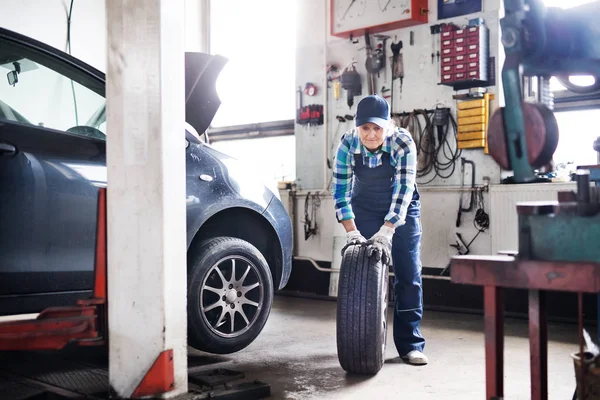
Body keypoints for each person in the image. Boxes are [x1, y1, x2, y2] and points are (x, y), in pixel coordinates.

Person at [332, 94, 427, 365]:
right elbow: (340, 190)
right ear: (357, 126)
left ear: (387, 125)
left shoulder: (402, 142)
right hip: (364, 206)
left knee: (408, 273)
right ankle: (360, 341)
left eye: (377, 128)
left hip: (403, 208)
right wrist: (351, 232)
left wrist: (387, 231)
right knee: (364, 269)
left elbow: (403, 189)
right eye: (365, 128)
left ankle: (410, 344)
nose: (371, 135)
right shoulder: (348, 142)